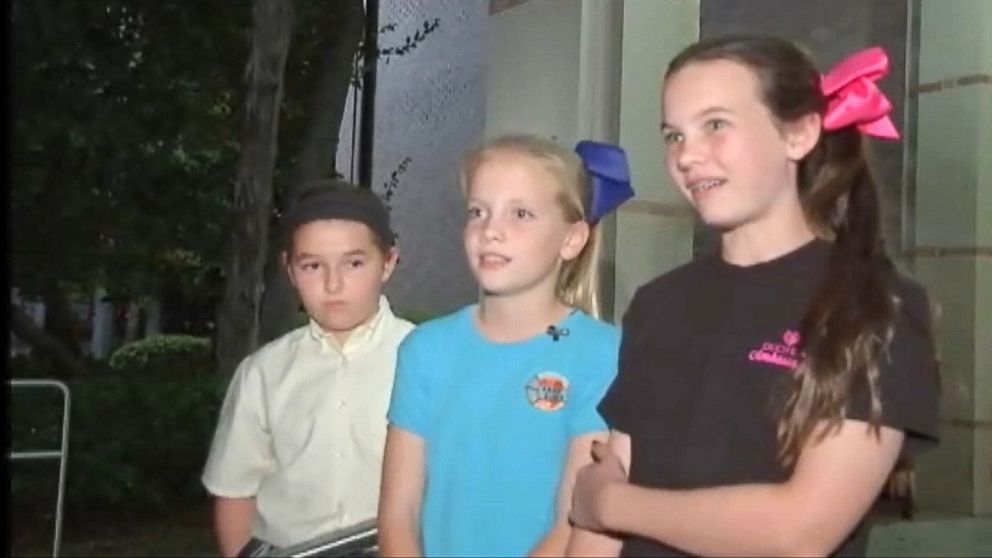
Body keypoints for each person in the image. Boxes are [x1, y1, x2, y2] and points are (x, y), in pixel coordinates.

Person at [567, 36, 940, 557]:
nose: (687, 156)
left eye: (715, 125)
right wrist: (602, 510)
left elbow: (800, 531)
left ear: (800, 133)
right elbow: (607, 496)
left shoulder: (876, 306)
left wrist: (611, 505)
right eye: (673, 135)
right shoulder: (658, 304)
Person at [378, 135, 632, 557]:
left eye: (521, 214)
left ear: (571, 239)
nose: (491, 231)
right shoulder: (425, 350)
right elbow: (397, 513)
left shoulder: (601, 355)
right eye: (478, 212)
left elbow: (573, 521)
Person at [201, 183, 415, 557]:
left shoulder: (430, 361)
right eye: (313, 266)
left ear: (388, 262)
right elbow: (234, 490)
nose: (333, 284)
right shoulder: (263, 373)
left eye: (354, 263)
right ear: (289, 270)